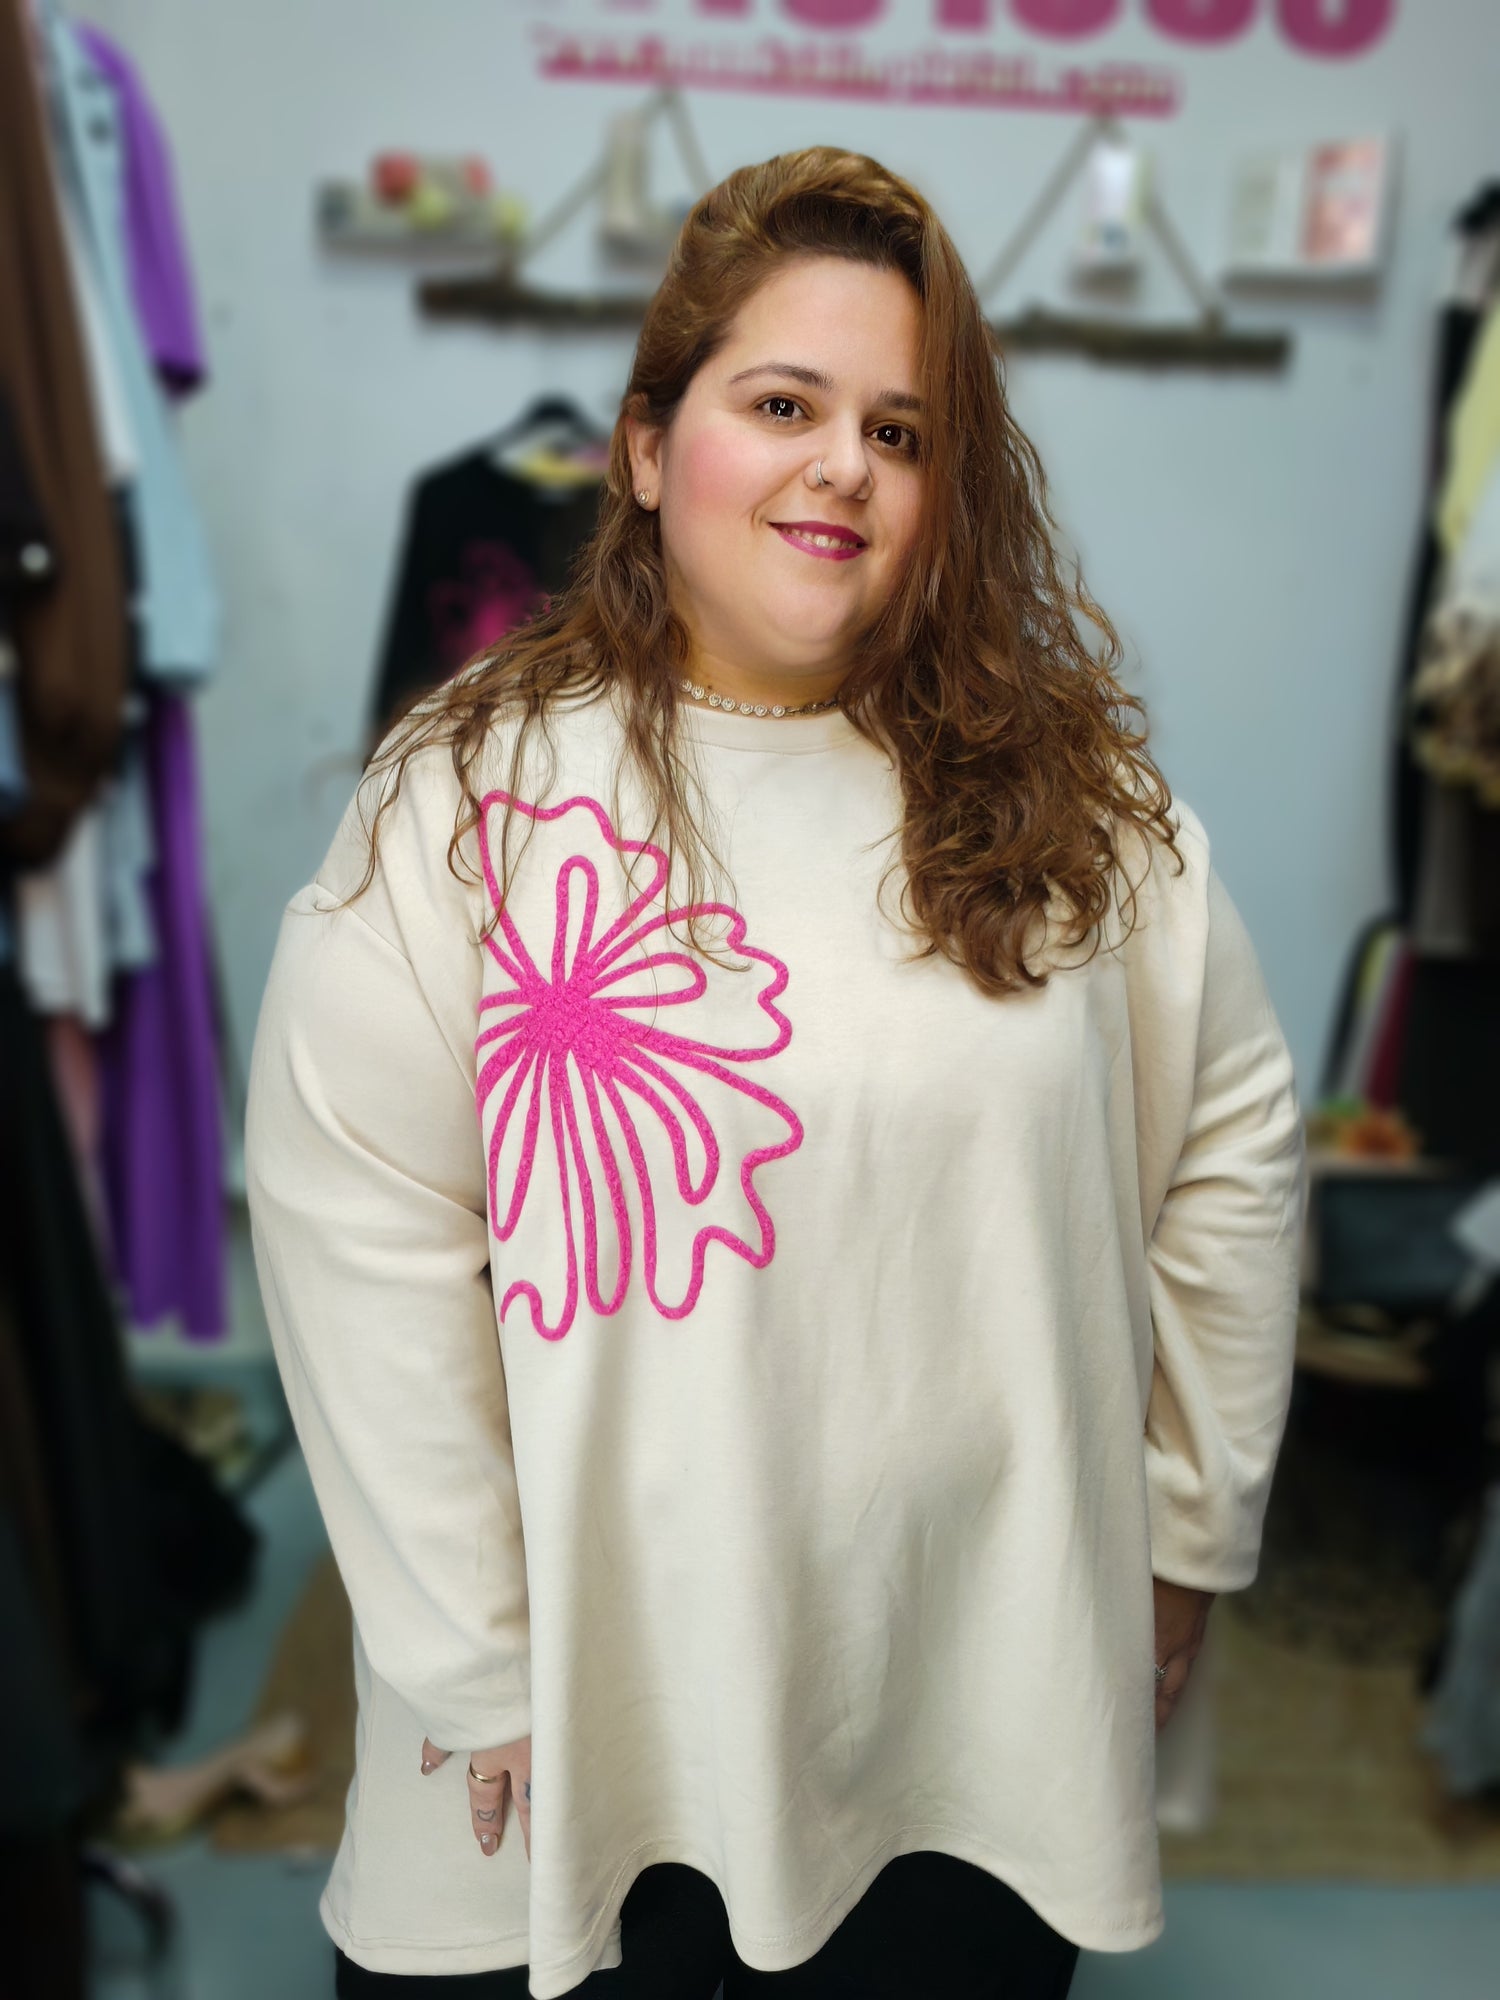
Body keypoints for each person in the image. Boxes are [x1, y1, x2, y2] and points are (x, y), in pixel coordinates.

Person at [244, 147, 1305, 1999]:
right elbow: (358, 1225)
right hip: (561, 1745)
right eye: (785, 405)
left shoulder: (1082, 816)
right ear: (649, 447)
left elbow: (1235, 1146)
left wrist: (1189, 1536)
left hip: (959, 1737)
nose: (844, 468)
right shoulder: (471, 794)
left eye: (901, 433)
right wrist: (478, 1661)